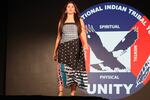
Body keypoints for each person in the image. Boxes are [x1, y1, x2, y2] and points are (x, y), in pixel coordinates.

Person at [53, 0, 89, 96]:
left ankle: (72, 93)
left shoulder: (79, 20)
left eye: (72, 7)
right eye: (68, 7)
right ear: (65, 10)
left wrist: (85, 45)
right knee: (61, 70)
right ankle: (60, 92)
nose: (70, 8)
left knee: (75, 71)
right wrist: (55, 51)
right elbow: (58, 37)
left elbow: (82, 33)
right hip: (64, 48)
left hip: (76, 48)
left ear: (75, 10)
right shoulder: (61, 21)